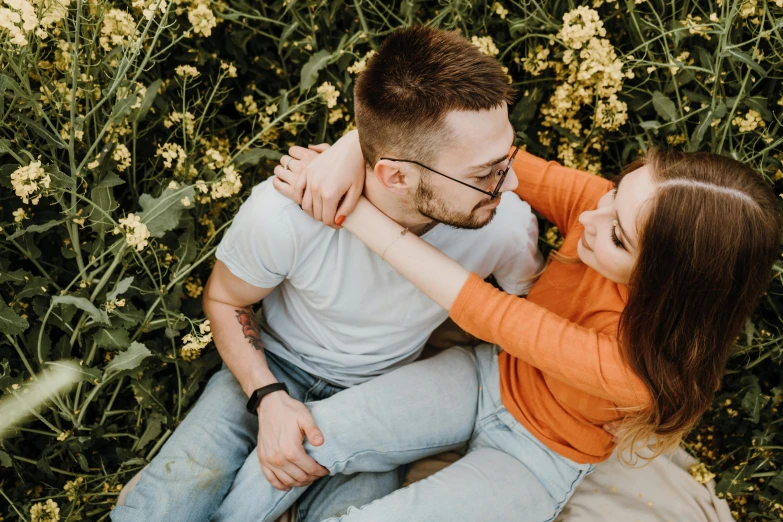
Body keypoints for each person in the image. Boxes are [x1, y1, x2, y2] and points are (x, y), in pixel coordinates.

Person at [110, 26, 544, 522]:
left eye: (508, 156)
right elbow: (227, 300)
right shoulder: (284, 213)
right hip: (272, 367)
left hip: (380, 392)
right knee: (166, 503)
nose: (509, 182)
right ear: (395, 176)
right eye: (484, 172)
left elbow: (530, 319)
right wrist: (268, 397)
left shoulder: (503, 223)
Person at [268, 121, 782, 519]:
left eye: (618, 237)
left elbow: (488, 311)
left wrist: (353, 213)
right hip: (488, 375)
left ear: (668, 286)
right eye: (613, 192)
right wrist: (356, 144)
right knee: (312, 433)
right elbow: (489, 160)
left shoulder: (638, 368)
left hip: (536, 460)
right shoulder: (605, 211)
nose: (587, 220)